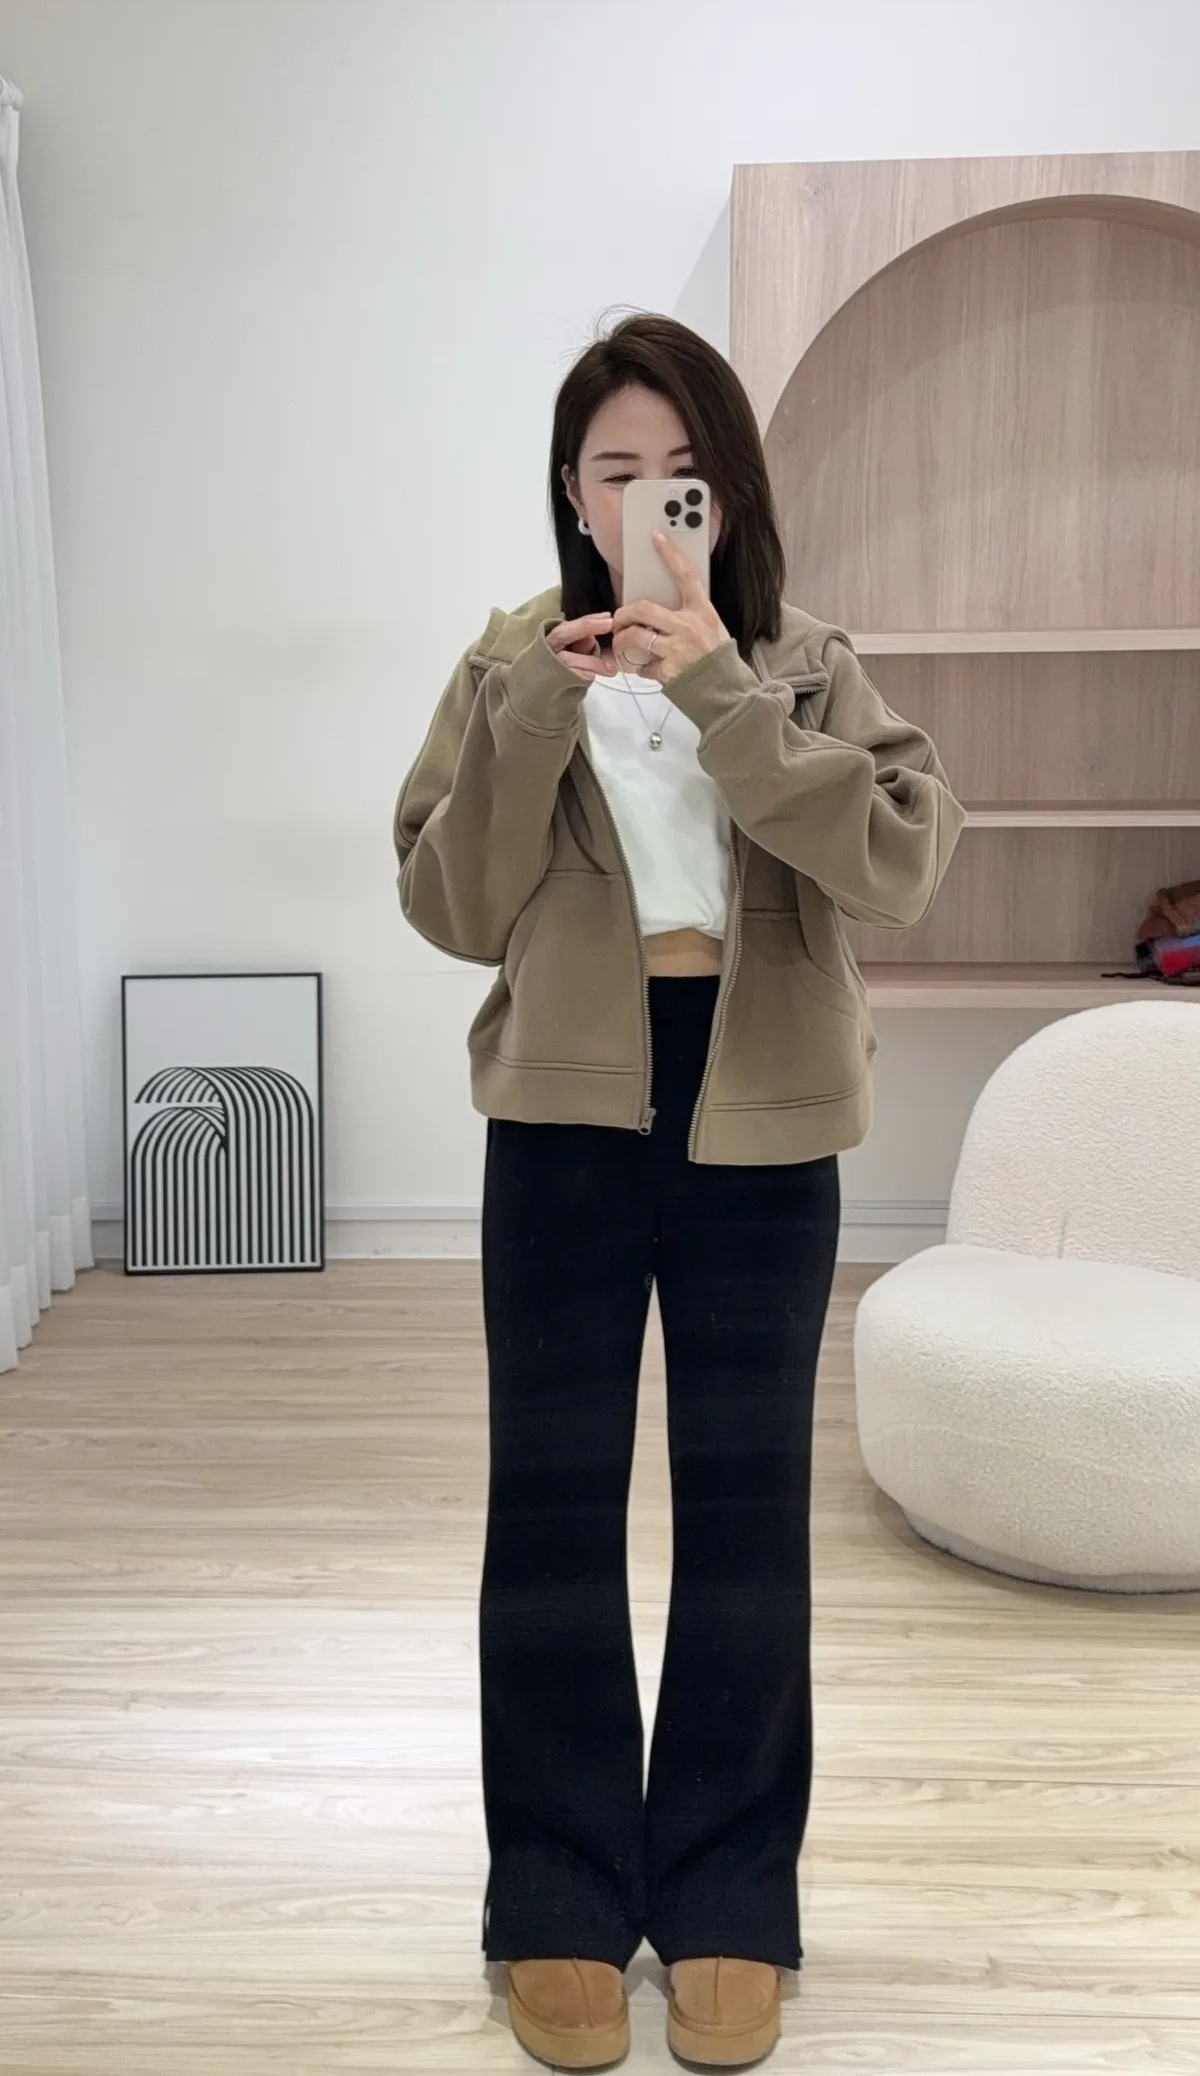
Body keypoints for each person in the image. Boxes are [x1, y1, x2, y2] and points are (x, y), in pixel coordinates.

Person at [393, 313, 964, 2070]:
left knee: (745, 1521)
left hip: (763, 1117)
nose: (648, 502)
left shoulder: (802, 662)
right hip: (564, 1119)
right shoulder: (511, 662)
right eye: (615, 472)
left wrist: (722, 691)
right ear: (572, 496)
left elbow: (900, 863)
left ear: (729, 495)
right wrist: (532, 713)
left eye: (682, 476)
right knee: (551, 1516)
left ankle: (729, 1894)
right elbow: (449, 905)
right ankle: (557, 1895)